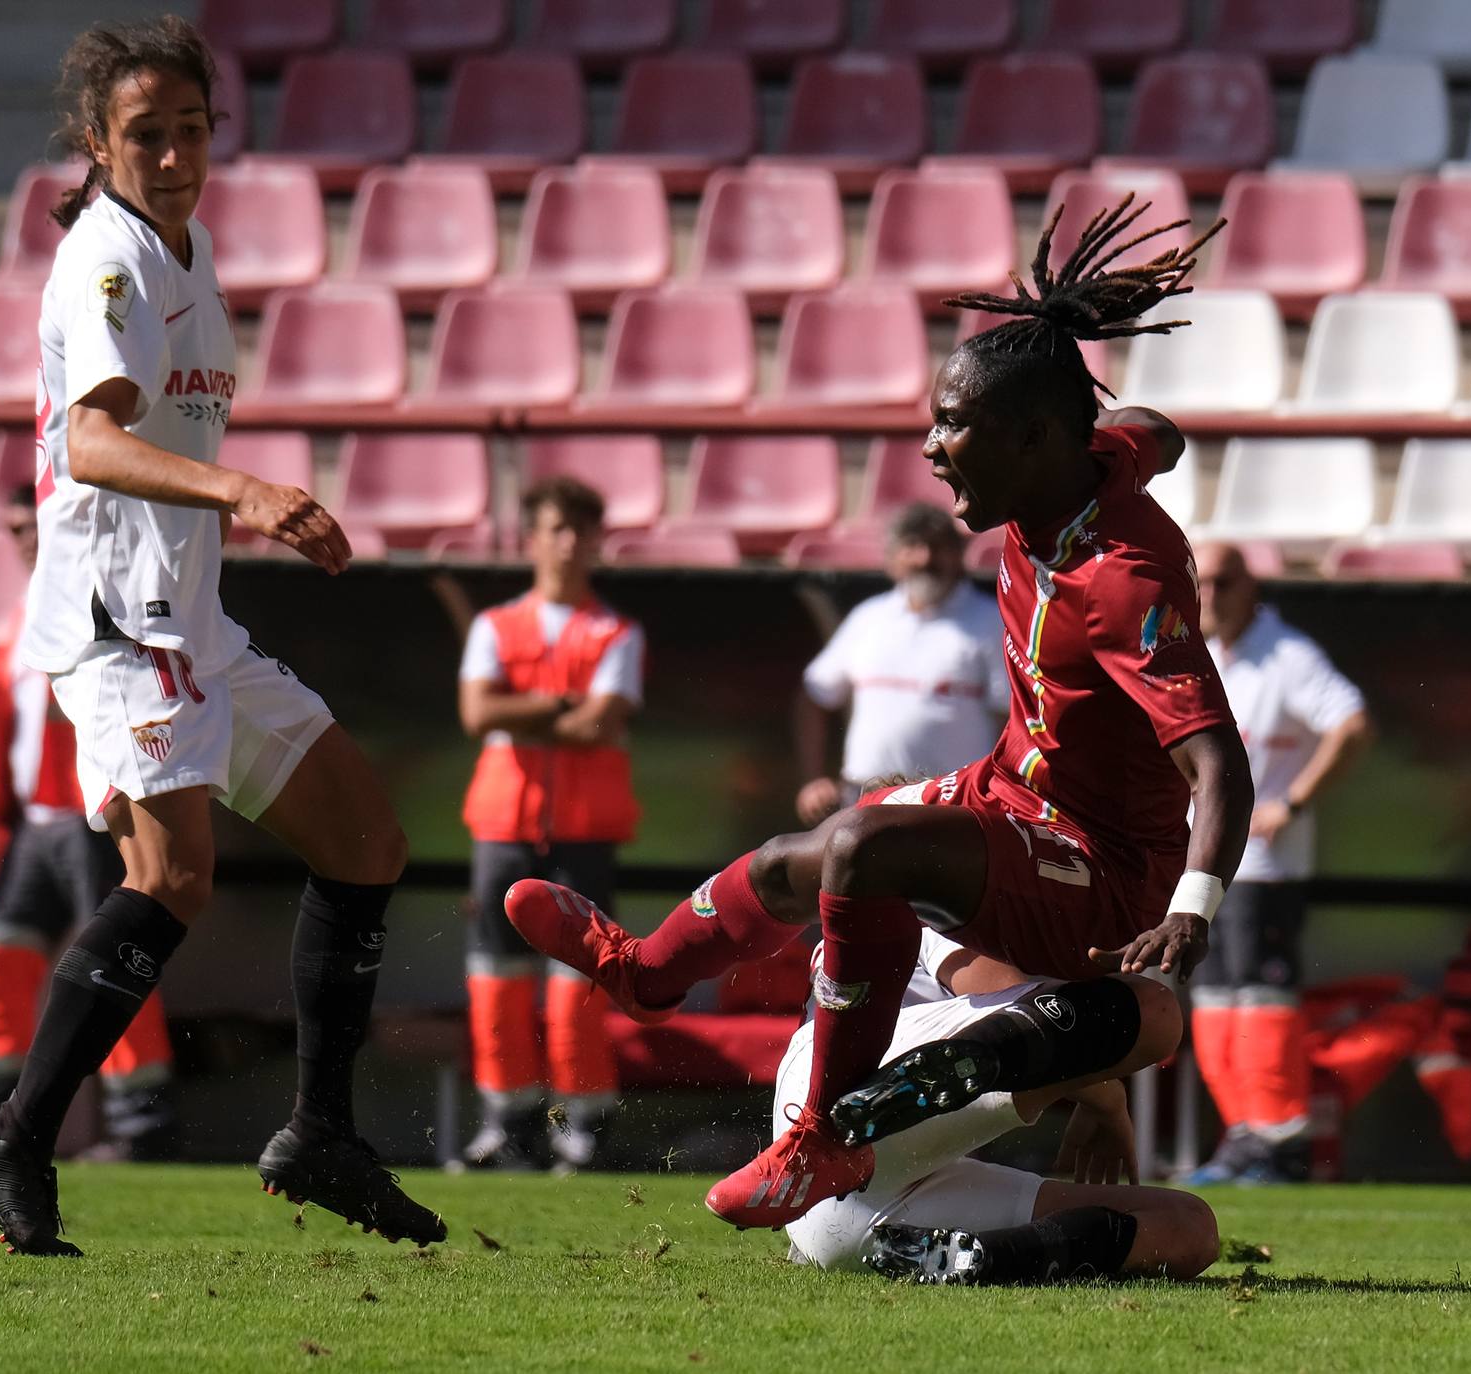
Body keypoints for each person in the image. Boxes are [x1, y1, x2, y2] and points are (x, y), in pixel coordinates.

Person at [505, 197, 1254, 1230]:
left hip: (1100, 868)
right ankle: (646, 978)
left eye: (955, 425)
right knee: (794, 857)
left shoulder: (1121, 581)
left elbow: (1219, 766)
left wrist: (1190, 911)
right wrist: (1099, 370)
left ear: (1032, 439)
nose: (933, 448)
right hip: (1014, 793)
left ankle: (820, 1141)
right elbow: (1147, 435)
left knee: (863, 848)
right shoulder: (1080, 464)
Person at [0, 17, 442, 1256]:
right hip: (120, 618)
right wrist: (251, 495)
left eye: (188, 130)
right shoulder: (105, 264)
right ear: (97, 146)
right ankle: (16, 1132)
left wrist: (244, 512)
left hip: (192, 619)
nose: (171, 155)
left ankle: (321, 1133)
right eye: (143, 135)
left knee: (368, 840)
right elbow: (93, 445)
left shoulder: (189, 243)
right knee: (171, 879)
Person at [780, 929, 1218, 1285]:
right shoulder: (923, 900)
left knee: (1188, 1225)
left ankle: (994, 1257)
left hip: (828, 1219)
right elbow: (1022, 1012)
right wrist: (1109, 1098)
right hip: (855, 1104)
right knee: (1151, 1011)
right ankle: (890, 1102)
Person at [0, 484, 176, 1161]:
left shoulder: (94, 599)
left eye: (33, 523)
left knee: (114, 967)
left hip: (92, 818)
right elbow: (4, 732)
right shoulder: (24, 616)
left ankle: (141, 1123)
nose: (24, 536)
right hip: (34, 827)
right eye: (14, 526)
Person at [456, 477, 643, 1172]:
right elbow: (477, 715)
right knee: (495, 982)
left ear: (597, 541)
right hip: (502, 827)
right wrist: (565, 700)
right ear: (531, 537)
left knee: (577, 988)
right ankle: (507, 1126)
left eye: (581, 530)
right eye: (556, 528)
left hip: (584, 832)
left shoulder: (617, 630)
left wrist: (522, 705)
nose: (568, 543)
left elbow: (604, 723)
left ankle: (585, 1126)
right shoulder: (494, 626)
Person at [1186, 541, 1373, 1185]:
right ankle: (1243, 1135)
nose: (1210, 594)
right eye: (1200, 581)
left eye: (1224, 581)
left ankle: (1281, 1140)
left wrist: (1290, 802)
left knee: (1258, 999)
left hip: (1264, 866)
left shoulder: (1286, 654)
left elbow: (1350, 723)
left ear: (1250, 588)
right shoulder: (1190, 653)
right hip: (1202, 864)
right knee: (1213, 1000)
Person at [794, 503, 1010, 827]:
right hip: (863, 801)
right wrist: (813, 780)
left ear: (958, 555)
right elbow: (814, 696)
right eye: (912, 547)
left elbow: (1011, 718)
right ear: (893, 558)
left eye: (937, 547)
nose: (925, 559)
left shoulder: (991, 619)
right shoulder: (868, 617)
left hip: (952, 806)